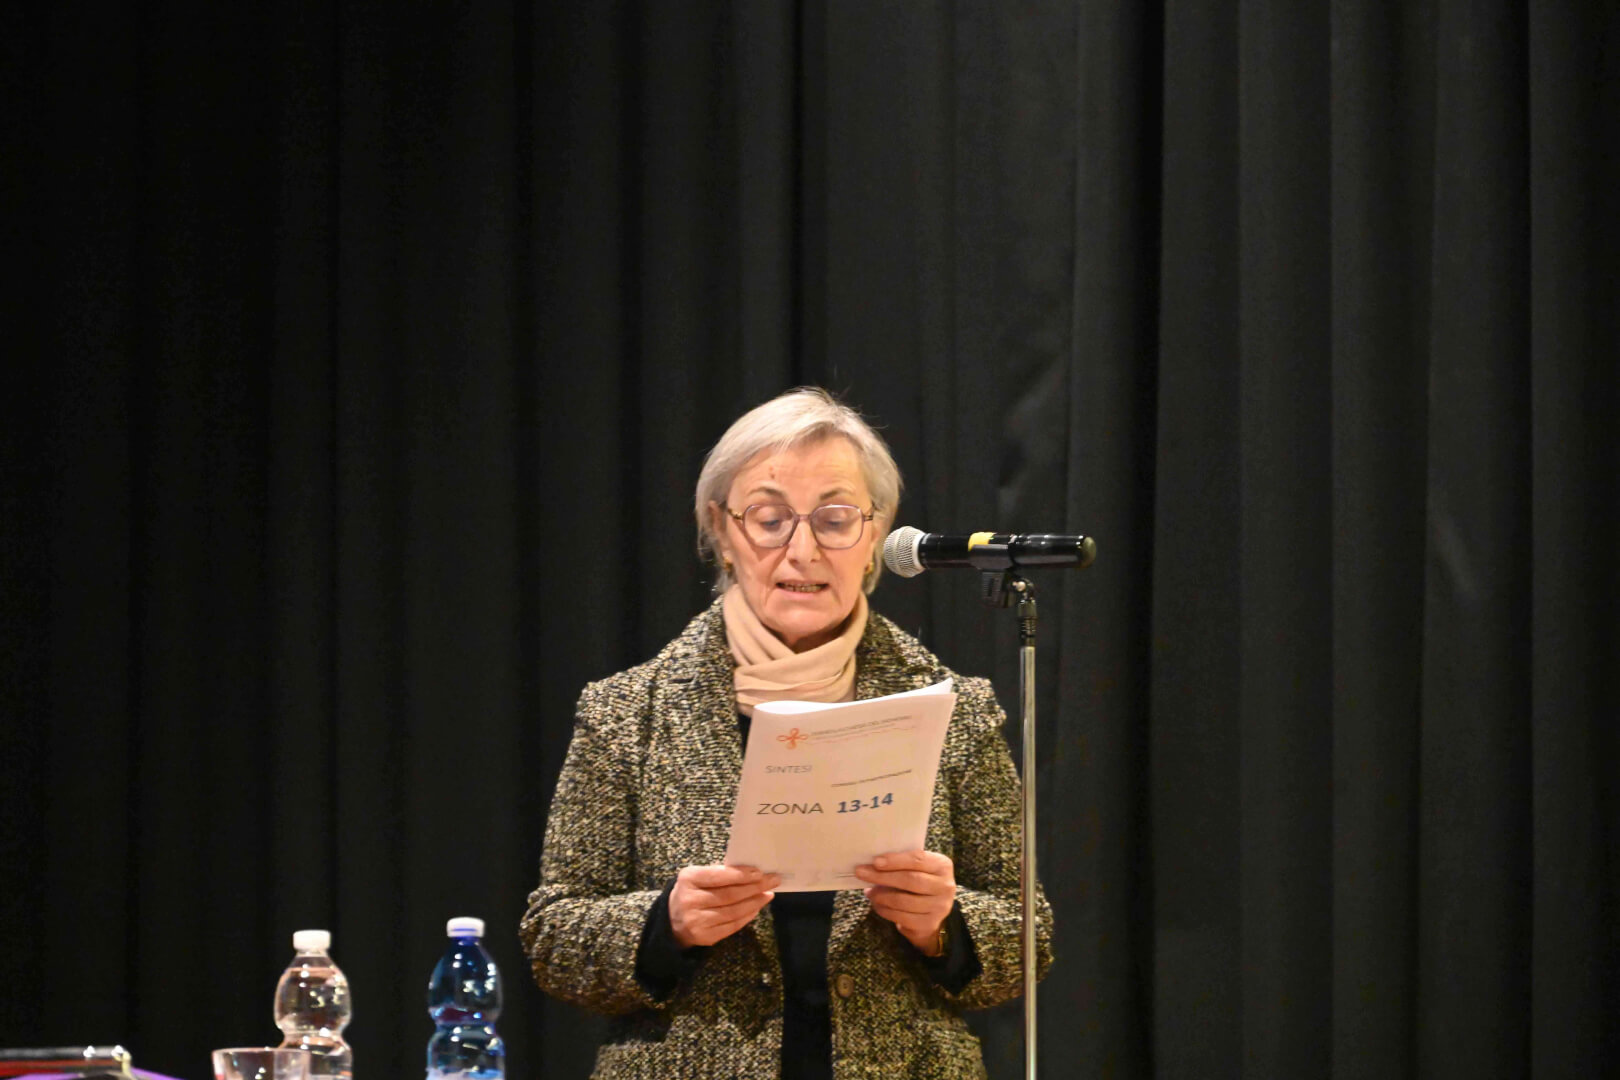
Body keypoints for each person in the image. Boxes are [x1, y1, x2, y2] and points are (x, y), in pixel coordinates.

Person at [520, 387, 1053, 1079]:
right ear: (721, 532)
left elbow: (1028, 937)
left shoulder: (953, 708)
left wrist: (942, 923)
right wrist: (665, 922)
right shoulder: (627, 713)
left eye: (835, 519)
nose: (802, 550)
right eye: (770, 519)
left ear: (875, 537)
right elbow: (553, 937)